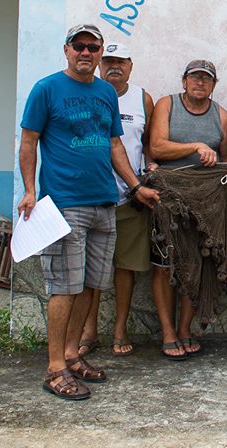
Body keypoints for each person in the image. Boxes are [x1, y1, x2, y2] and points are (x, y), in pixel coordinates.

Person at [18, 24, 160, 401]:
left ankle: (71, 355)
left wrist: (135, 186)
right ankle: (54, 368)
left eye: (92, 47)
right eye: (79, 46)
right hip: (65, 203)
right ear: (67, 50)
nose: (86, 52)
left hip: (104, 203)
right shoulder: (46, 89)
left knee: (91, 284)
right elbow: (29, 141)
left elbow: (115, 144)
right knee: (64, 286)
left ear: (99, 53)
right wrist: (31, 191)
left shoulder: (104, 93)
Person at [149, 59, 227, 360]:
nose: (200, 83)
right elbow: (156, 147)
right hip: (167, 200)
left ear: (214, 85)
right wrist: (195, 146)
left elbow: (225, 163)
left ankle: (184, 328)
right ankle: (168, 332)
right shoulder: (166, 105)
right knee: (164, 266)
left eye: (206, 79)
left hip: (205, 203)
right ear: (184, 81)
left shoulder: (222, 117)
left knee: (195, 265)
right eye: (194, 78)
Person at [78, 43, 157, 358]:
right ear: (99, 63)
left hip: (130, 197)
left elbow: (148, 141)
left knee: (126, 268)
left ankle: (121, 328)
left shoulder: (142, 99)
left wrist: (150, 166)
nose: (114, 66)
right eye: (108, 61)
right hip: (92, 197)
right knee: (91, 270)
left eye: (120, 61)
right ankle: (88, 330)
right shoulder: (87, 94)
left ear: (130, 65)